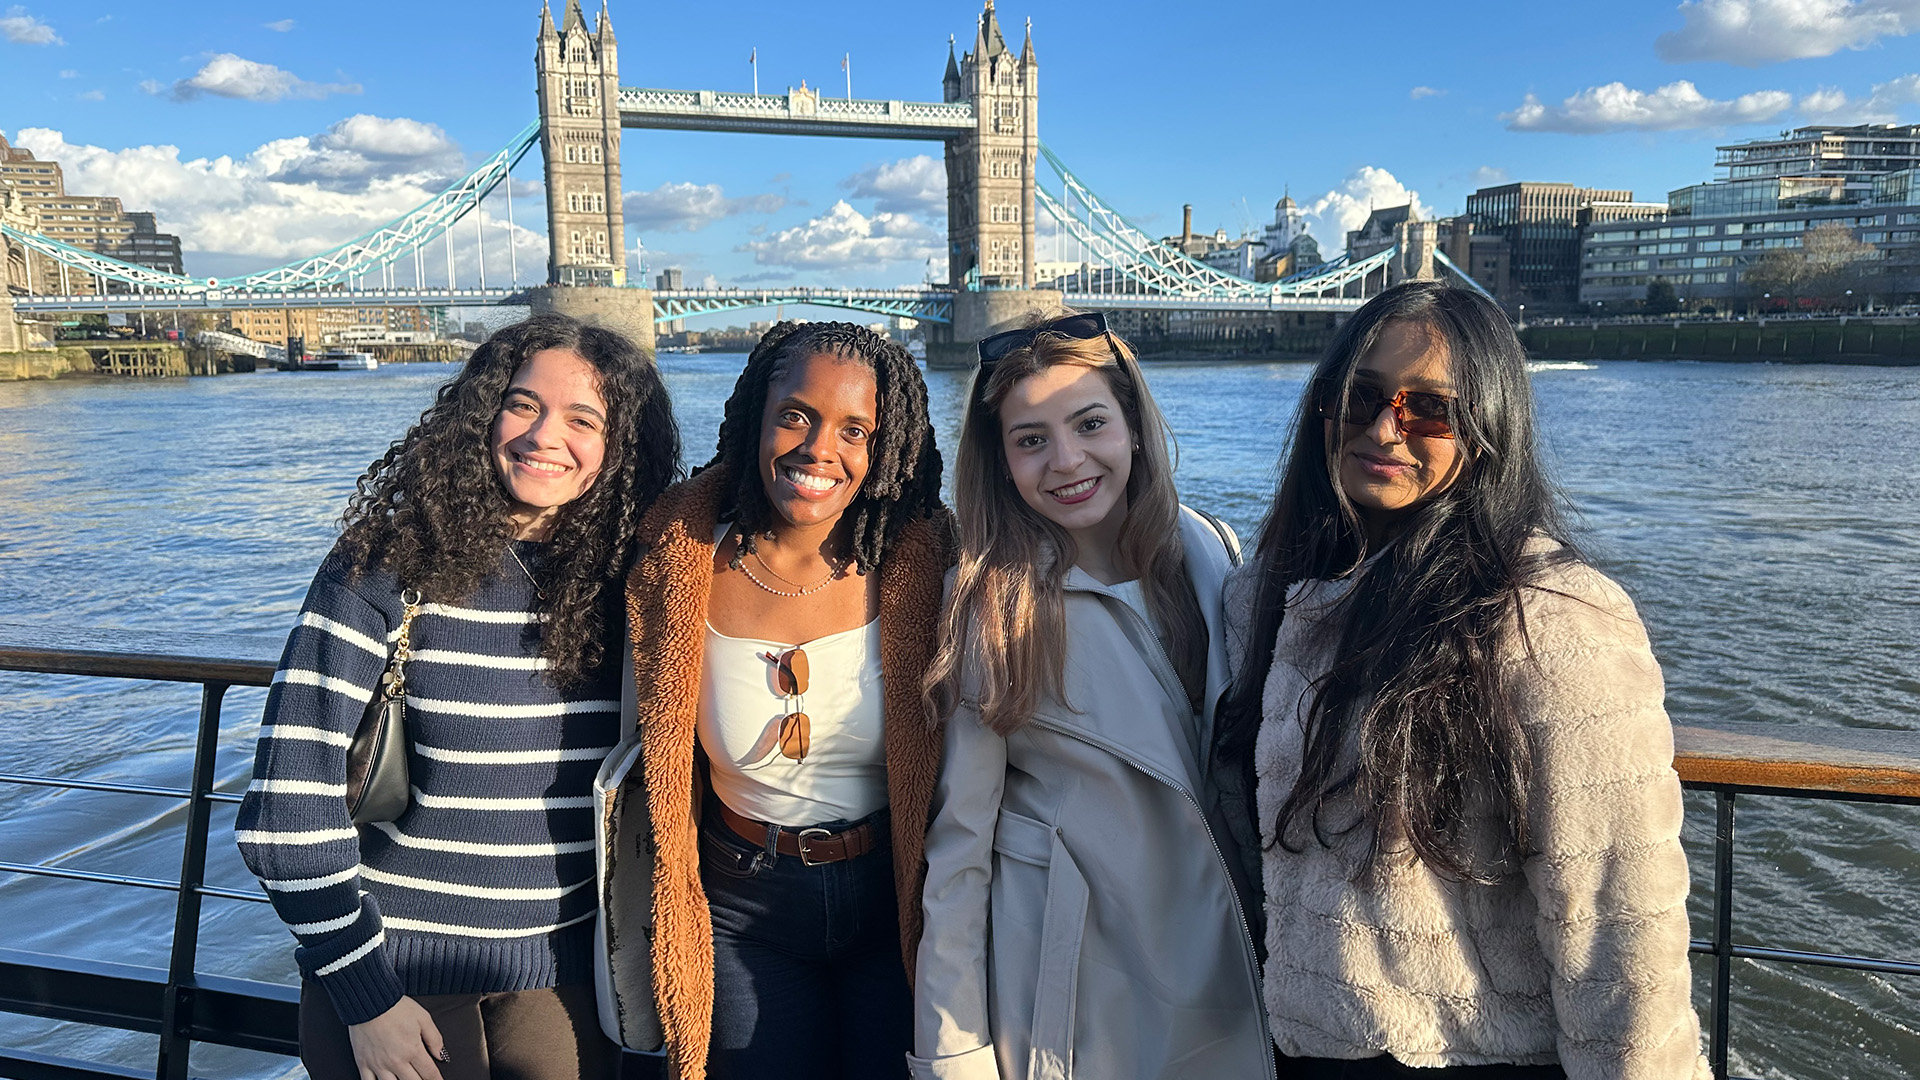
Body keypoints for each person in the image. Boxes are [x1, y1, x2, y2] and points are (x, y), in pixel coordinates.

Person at [1216, 281, 1708, 1079]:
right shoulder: (1263, 596)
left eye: (1429, 411)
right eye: (1361, 396)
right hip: (1290, 1045)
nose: (1384, 428)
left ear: (1487, 429)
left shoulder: (1550, 618)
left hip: (1465, 1057)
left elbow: (1617, 920)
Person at [235, 313, 680, 1080]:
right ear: (481, 416)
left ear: (622, 446)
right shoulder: (386, 566)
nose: (544, 436)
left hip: (566, 982)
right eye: (523, 405)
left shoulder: (631, 583)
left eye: (583, 420)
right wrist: (364, 994)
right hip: (396, 978)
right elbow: (287, 806)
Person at [912, 311, 1270, 1080]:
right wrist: (954, 1055)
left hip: (1229, 961)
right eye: (1031, 439)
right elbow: (960, 853)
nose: (1067, 460)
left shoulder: (1213, 552)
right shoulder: (991, 607)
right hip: (1084, 1004)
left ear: (1134, 426)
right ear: (1002, 461)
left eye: (1089, 423)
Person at [608, 321, 954, 1080]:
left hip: (895, 898)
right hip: (742, 909)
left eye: (854, 430)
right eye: (796, 416)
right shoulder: (678, 560)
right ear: (755, 420)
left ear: (887, 449)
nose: (819, 449)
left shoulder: (926, 568)